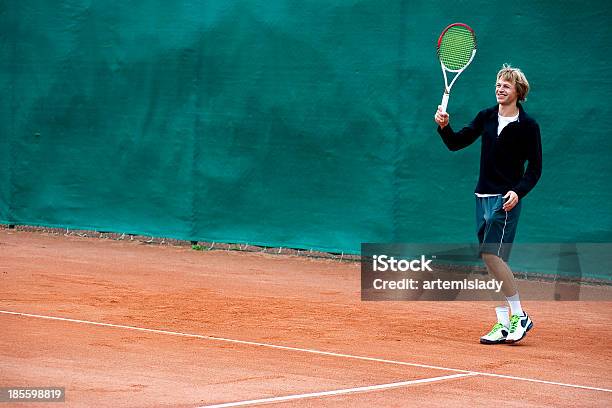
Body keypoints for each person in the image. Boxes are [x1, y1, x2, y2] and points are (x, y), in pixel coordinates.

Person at [434, 64, 542, 344]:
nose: (499, 88)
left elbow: (535, 169)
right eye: (497, 84)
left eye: (506, 85)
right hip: (482, 196)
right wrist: (445, 127)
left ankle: (520, 315)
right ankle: (503, 324)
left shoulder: (528, 126)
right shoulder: (486, 117)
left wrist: (518, 192)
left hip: (505, 199)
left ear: (518, 91)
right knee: (492, 262)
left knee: (491, 255)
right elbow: (456, 143)